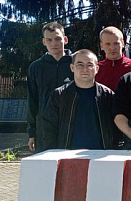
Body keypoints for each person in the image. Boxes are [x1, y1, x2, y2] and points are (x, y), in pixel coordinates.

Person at [39, 49, 119, 150]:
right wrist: (51, 153)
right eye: (80, 65)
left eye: (89, 65)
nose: (85, 69)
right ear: (72, 67)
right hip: (67, 154)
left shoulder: (108, 95)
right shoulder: (59, 95)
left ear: (97, 68)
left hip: (100, 155)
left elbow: (116, 128)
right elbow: (49, 128)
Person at [27, 22, 74, 152]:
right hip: (45, 129)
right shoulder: (36, 67)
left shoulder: (77, 64)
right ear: (44, 41)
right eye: (49, 40)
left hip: (72, 126)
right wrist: (32, 133)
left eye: (58, 39)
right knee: (46, 169)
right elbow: (32, 101)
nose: (54, 43)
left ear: (65, 39)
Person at [95, 26, 131, 91]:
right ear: (102, 45)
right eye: (108, 44)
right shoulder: (95, 70)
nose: (112, 48)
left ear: (123, 43)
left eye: (116, 43)